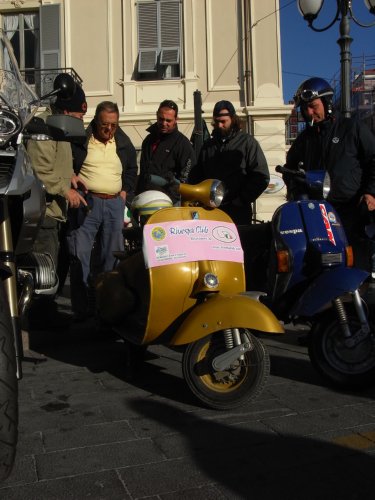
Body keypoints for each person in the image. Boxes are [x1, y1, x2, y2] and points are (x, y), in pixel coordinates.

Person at [284, 77, 375, 269]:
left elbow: (373, 159)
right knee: (322, 263)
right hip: (318, 213)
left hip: (352, 209)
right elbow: (290, 170)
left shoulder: (352, 128)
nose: (310, 112)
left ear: (327, 103)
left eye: (314, 106)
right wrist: (295, 191)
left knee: (356, 263)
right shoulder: (305, 139)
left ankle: (359, 294)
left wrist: (370, 192)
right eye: (305, 108)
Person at [67, 101, 137, 321]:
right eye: (105, 125)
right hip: (88, 203)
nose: (109, 130)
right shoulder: (82, 140)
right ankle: (83, 308)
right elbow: (68, 165)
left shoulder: (122, 142)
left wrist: (125, 192)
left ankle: (107, 306)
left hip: (115, 204)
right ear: (96, 122)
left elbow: (132, 169)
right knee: (80, 255)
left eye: (114, 125)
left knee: (112, 257)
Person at [27, 76, 88, 277]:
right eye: (79, 116)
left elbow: (55, 161)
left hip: (54, 212)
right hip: (43, 214)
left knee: (54, 270)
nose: (81, 121)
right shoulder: (44, 128)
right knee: (43, 274)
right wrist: (65, 190)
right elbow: (40, 170)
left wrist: (70, 176)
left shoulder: (61, 127)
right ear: (67, 111)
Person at [189, 100, 270, 225]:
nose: (220, 125)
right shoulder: (208, 146)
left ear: (232, 119)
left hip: (238, 212)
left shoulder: (247, 142)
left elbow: (261, 176)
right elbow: (198, 177)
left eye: (223, 122)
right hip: (211, 211)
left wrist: (241, 200)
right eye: (217, 122)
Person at [136, 99, 196, 204]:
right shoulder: (148, 140)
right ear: (156, 116)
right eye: (161, 119)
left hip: (169, 202)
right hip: (145, 199)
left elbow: (188, 177)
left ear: (176, 119)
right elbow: (143, 173)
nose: (164, 123)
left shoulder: (183, 144)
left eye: (168, 120)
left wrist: (175, 194)